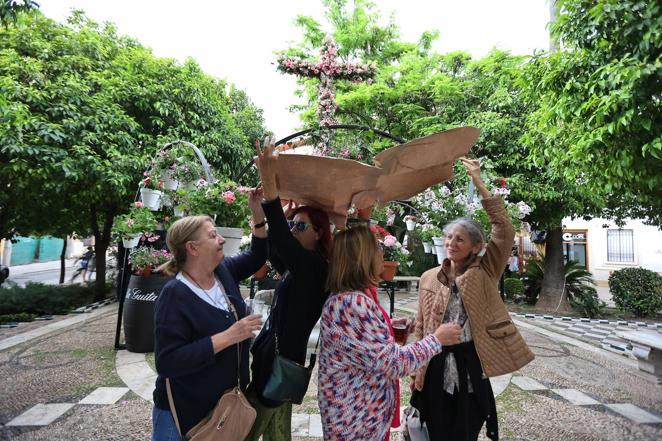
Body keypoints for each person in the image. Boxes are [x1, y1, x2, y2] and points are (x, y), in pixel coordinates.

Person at [411, 158, 535, 441]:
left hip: (470, 364)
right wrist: (417, 370)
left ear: (475, 247)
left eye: (460, 240)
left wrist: (478, 181)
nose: (451, 244)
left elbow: (503, 227)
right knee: (435, 430)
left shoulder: (486, 269)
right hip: (435, 365)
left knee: (466, 430)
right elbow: (422, 325)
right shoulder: (429, 277)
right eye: (449, 237)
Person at [318, 224, 462, 441]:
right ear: (362, 256)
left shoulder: (347, 298)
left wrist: (389, 326)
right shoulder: (353, 304)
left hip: (358, 419)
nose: (382, 252)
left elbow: (365, 349)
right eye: (376, 247)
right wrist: (437, 339)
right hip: (356, 424)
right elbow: (393, 364)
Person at [150, 187, 267, 441]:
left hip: (223, 411)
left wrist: (258, 212)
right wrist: (228, 336)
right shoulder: (174, 295)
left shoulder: (224, 271)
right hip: (182, 417)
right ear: (192, 248)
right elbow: (167, 361)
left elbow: (258, 255)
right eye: (213, 235)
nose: (222, 240)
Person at [246, 137, 333, 441]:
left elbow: (281, 241)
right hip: (276, 359)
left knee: (246, 425)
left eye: (301, 226)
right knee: (276, 430)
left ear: (320, 233)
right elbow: (274, 249)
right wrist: (259, 213)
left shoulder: (316, 266)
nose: (294, 229)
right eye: (292, 224)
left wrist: (269, 181)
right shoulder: (298, 267)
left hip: (280, 364)